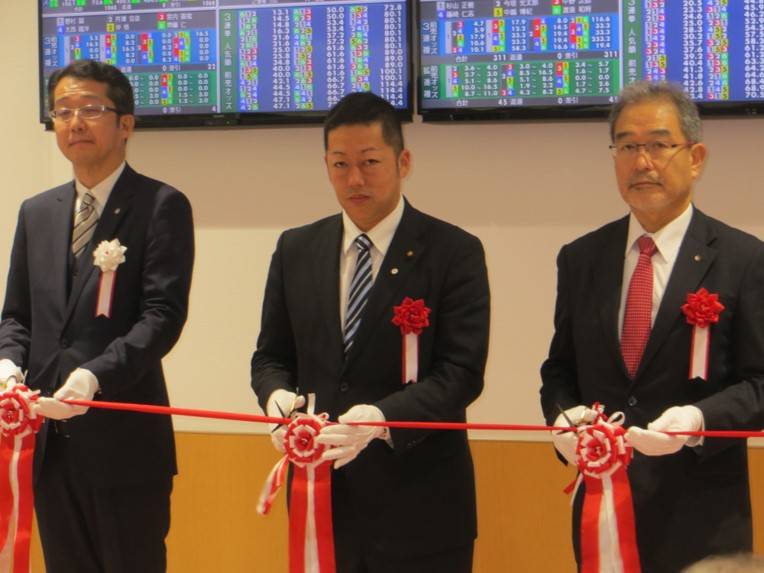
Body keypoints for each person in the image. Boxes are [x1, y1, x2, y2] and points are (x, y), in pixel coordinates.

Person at [251, 91, 489, 572]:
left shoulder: (453, 251)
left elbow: (461, 373)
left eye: (370, 162)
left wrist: (381, 418)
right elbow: (270, 357)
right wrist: (275, 397)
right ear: (326, 166)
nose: (354, 179)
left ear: (403, 161)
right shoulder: (296, 248)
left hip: (421, 508)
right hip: (324, 503)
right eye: (340, 164)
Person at [540, 80, 764, 573]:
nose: (642, 162)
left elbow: (759, 385)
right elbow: (559, 370)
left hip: (704, 523)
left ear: (695, 157)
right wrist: (562, 420)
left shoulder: (744, 259)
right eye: (626, 147)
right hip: (602, 517)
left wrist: (699, 420)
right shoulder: (581, 258)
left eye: (659, 145)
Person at [0, 60, 194, 572]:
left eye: (90, 109)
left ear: (126, 124)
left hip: (124, 447)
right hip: (47, 446)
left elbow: (162, 316)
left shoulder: (161, 205)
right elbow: (17, 316)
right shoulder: (36, 212)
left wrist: (94, 376)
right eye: (63, 111)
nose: (74, 122)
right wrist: (7, 365)